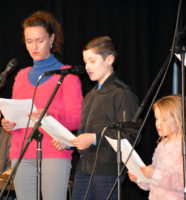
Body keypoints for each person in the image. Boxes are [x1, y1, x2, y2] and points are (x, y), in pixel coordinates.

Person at [1, 10, 83, 200]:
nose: (34, 46)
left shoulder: (67, 76)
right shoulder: (21, 76)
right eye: (29, 41)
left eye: (40, 40)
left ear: (52, 39)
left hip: (54, 150)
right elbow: (16, 114)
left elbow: (77, 118)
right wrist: (9, 124)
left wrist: (49, 115)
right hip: (21, 150)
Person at [68, 36, 139, 200]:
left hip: (107, 170)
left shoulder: (122, 94)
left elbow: (132, 135)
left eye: (92, 61)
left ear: (109, 59)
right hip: (84, 168)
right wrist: (71, 141)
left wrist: (94, 138)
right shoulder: (90, 96)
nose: (87, 67)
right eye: (85, 62)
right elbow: (84, 132)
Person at [128, 94, 186, 200]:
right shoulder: (161, 146)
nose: (158, 124)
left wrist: (155, 174)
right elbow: (154, 184)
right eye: (157, 119)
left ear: (178, 120)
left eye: (164, 120)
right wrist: (140, 178)